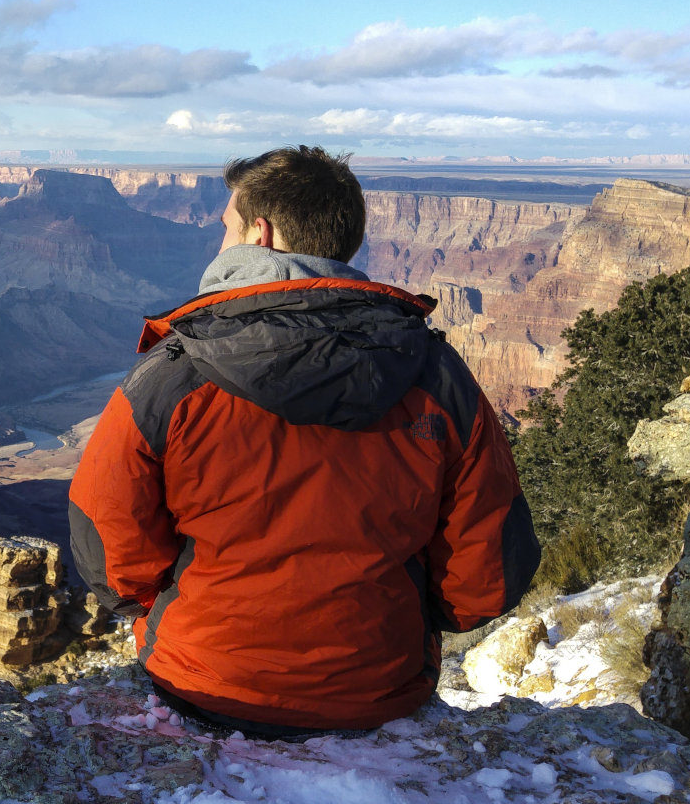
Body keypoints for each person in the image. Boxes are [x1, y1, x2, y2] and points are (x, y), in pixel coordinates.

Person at [67, 145, 539, 739]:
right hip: (381, 692)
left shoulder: (173, 376)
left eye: (225, 229)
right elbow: (488, 572)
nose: (219, 244)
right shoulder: (439, 377)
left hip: (204, 686)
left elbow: (111, 553)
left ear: (259, 235)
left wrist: (179, 612)